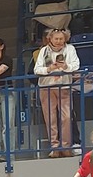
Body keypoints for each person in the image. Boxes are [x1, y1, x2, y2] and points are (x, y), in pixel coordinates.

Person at [33, 28, 79, 157]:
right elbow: (37, 69)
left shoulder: (70, 49)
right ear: (50, 39)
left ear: (65, 39)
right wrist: (49, 69)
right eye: (56, 39)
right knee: (50, 118)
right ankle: (55, 147)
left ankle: (66, 146)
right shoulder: (44, 51)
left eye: (61, 39)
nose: (58, 41)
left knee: (66, 117)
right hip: (46, 87)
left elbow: (76, 65)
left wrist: (65, 67)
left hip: (64, 87)